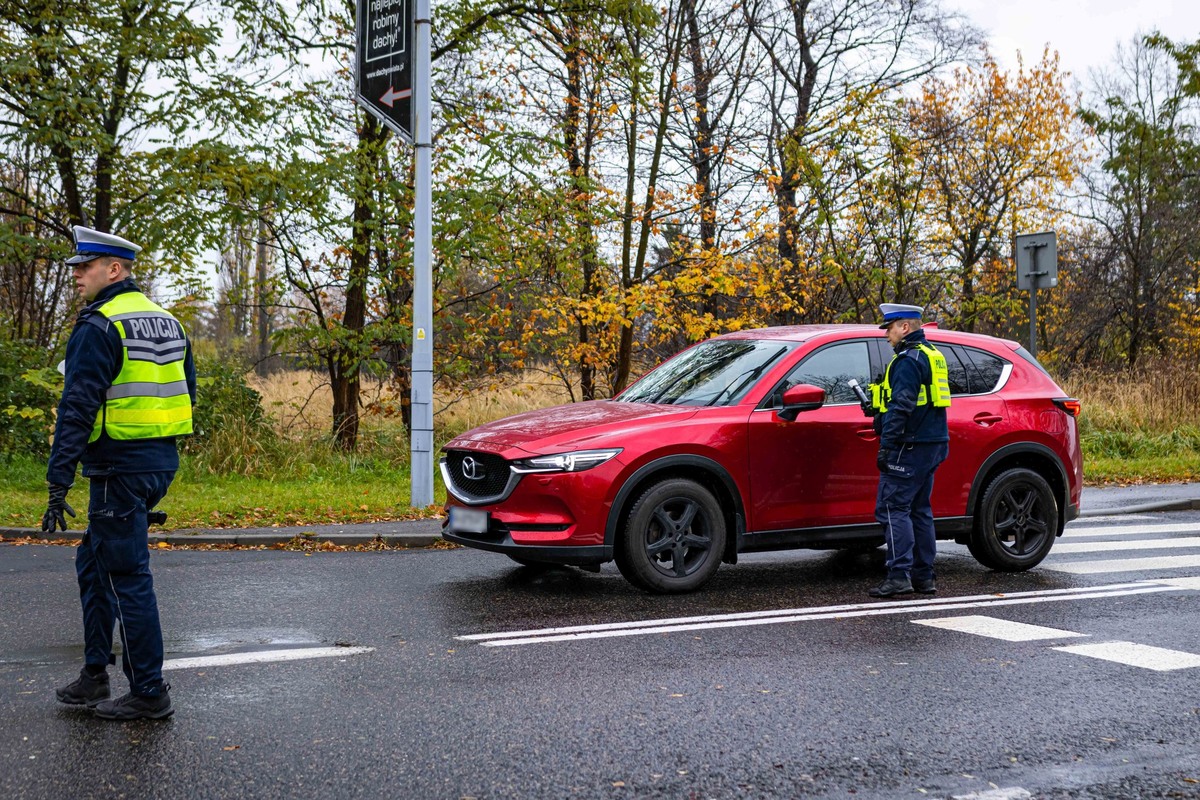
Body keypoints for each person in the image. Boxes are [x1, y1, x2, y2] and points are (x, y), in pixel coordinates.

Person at [43, 225, 195, 720]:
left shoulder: (100, 325)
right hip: (158, 463)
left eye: (84, 267)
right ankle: (94, 675)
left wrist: (58, 481)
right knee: (94, 562)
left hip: (117, 468)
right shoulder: (168, 322)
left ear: (113, 269)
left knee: (128, 575)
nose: (76, 276)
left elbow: (77, 408)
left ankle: (149, 691)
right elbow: (187, 391)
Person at [861, 303, 950, 598]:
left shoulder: (907, 361)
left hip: (909, 445)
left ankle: (899, 575)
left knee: (892, 508)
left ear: (905, 327)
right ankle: (924, 577)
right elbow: (918, 402)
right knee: (919, 509)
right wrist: (878, 414)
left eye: (889, 328)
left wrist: (886, 445)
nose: (887, 335)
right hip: (933, 442)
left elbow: (902, 405)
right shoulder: (932, 354)